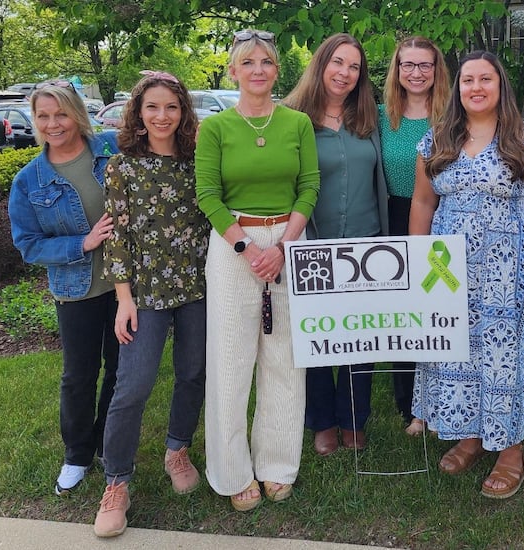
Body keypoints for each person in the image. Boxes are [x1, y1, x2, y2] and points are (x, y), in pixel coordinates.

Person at [410, 50, 524, 499]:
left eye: (485, 80)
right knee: (459, 350)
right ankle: (472, 434)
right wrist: (419, 265)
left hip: (509, 268)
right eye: (467, 81)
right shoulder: (437, 139)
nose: (475, 87)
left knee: (505, 354)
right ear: (457, 89)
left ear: (500, 87)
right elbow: (423, 203)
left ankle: (512, 449)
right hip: (447, 269)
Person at [196, 29, 320, 511]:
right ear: (233, 71)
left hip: (289, 240)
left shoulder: (297, 124)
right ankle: (232, 471)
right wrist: (249, 249)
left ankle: (277, 463)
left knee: (285, 358)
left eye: (266, 62)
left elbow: (308, 186)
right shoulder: (216, 128)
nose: (258, 70)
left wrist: (284, 246)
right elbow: (208, 195)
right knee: (230, 360)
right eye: (248, 63)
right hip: (234, 245)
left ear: (276, 70)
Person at [92, 70, 208, 537]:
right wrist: (123, 298)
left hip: (198, 286)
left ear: (183, 113)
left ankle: (177, 448)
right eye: (153, 107)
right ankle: (116, 482)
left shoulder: (198, 160)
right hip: (145, 293)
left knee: (192, 373)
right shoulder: (123, 165)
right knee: (132, 385)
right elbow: (116, 236)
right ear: (139, 114)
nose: (163, 116)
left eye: (172, 107)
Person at [8, 80, 120, 497]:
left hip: (125, 286)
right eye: (43, 116)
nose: (53, 124)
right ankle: (77, 454)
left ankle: (108, 439)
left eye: (61, 114)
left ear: (77, 113)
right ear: (35, 121)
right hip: (77, 291)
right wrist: (84, 243)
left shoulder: (109, 148)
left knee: (121, 368)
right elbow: (29, 244)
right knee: (79, 375)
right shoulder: (29, 180)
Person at [284, 33, 388, 456]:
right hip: (313, 241)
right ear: (321, 64)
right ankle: (322, 420)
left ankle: (353, 417)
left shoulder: (370, 119)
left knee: (360, 337)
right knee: (317, 334)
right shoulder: (292, 118)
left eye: (355, 67)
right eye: (338, 63)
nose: (345, 73)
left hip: (366, 243)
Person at [378, 36, 450, 436]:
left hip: (443, 217)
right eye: (409, 65)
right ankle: (411, 404)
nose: (417, 73)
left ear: (437, 70)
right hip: (394, 215)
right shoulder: (380, 116)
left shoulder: (452, 116)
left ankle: (444, 393)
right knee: (402, 314)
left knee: (439, 309)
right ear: (398, 70)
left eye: (425, 65)